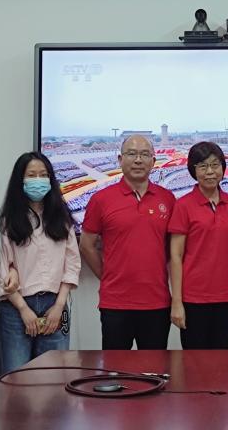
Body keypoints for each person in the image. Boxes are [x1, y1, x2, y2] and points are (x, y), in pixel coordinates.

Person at [80, 135, 174, 349]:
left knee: (154, 367)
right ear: (120, 159)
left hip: (156, 301)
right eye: (131, 154)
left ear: (153, 160)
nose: (138, 160)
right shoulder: (101, 199)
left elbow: (173, 247)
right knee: (115, 367)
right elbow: (86, 245)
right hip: (115, 303)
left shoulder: (167, 199)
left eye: (144, 154)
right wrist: (107, 275)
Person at [0, 152, 80, 372]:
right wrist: (23, 309)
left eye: (43, 175)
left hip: (55, 304)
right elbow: (3, 268)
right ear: (20, 180)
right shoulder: (7, 220)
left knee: (53, 375)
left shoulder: (62, 217)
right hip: (16, 308)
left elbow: (72, 264)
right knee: (16, 375)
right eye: (31, 175)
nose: (38, 180)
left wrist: (59, 306)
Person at [168, 141, 228, 349]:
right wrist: (177, 302)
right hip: (193, 299)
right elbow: (175, 256)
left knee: (222, 360)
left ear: (222, 167)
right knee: (194, 362)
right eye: (203, 166)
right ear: (193, 170)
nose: (210, 172)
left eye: (215, 165)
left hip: (227, 298)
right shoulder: (183, 205)